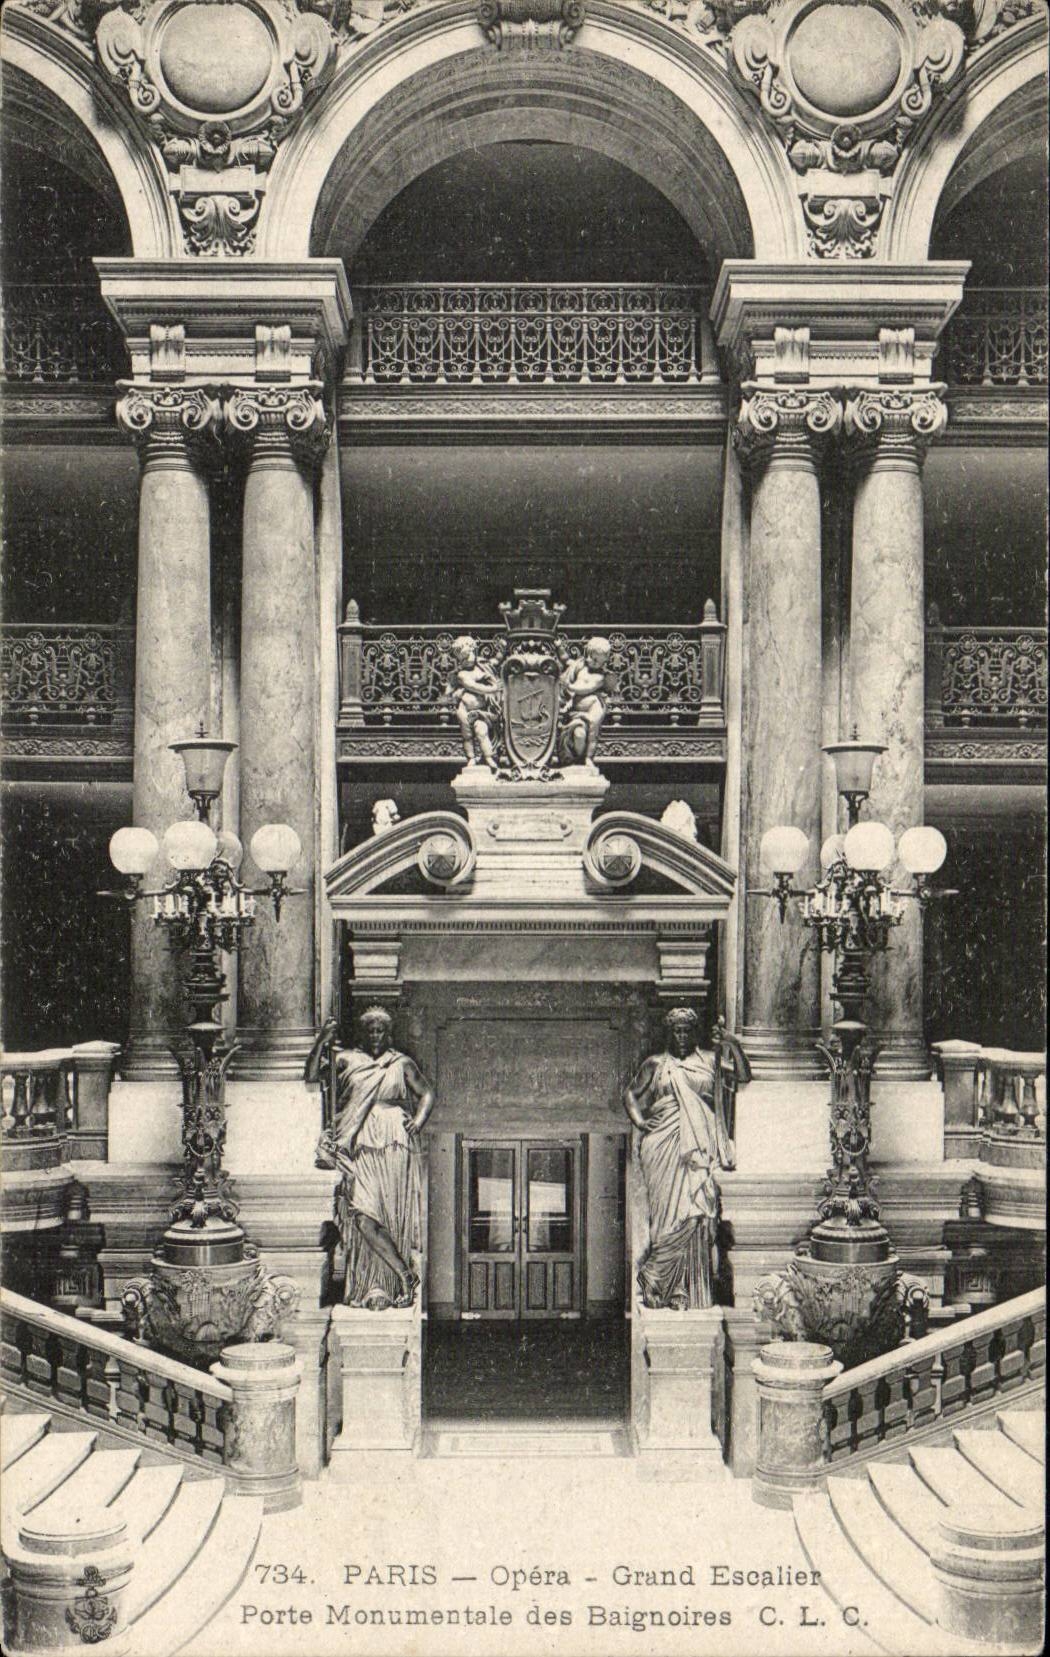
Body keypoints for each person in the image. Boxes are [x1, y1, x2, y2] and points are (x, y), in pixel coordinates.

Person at [313, 1007, 435, 1309]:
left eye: (380, 1030)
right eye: (370, 1030)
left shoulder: (400, 1062)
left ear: (388, 1033)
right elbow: (313, 1074)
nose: (375, 1035)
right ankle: (403, 1275)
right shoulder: (347, 1060)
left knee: (389, 1213)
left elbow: (428, 1093)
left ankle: (387, 1286)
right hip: (360, 1138)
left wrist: (417, 1122)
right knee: (364, 1216)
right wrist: (321, 1042)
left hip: (394, 1140)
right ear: (362, 1033)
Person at [623, 1006, 740, 1310]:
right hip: (662, 1146)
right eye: (677, 1030)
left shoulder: (709, 1061)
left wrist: (731, 1044)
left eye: (687, 1030)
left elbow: (742, 1074)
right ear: (669, 1032)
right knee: (665, 1217)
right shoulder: (657, 1064)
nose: (683, 1035)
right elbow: (631, 1094)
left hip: (697, 1150)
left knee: (694, 1213)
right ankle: (661, 1284)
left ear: (695, 1032)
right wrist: (639, 1121)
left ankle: (686, 1290)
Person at [447, 634, 501, 770]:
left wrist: (503, 649)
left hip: (479, 711)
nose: (468, 659)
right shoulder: (462, 675)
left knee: (481, 730)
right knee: (468, 735)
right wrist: (493, 688)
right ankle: (471, 757)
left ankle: (489, 757)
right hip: (464, 710)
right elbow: (474, 687)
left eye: (470, 654)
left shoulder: (482, 668)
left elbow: (495, 662)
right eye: (464, 657)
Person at [558, 636, 613, 764]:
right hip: (576, 712)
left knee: (591, 736)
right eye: (590, 656)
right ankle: (574, 759)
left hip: (591, 712)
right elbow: (566, 660)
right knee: (579, 735)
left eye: (596, 660)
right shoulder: (580, 666)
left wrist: (569, 686)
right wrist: (559, 647)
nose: (591, 660)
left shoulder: (600, 677)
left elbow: (585, 688)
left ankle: (588, 758)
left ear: (603, 661)